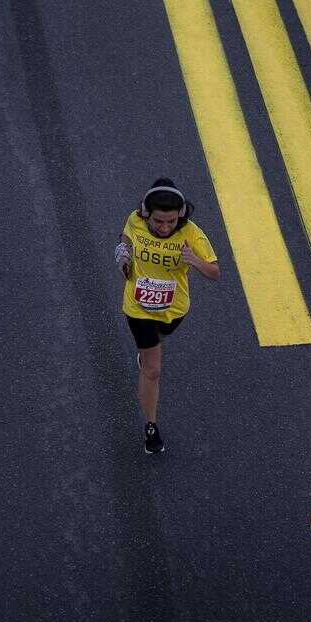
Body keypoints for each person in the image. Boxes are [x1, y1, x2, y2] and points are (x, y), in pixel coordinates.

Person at [115, 178, 220, 454]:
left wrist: (193, 260)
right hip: (138, 308)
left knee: (156, 345)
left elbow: (214, 272)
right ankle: (151, 427)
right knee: (153, 369)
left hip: (174, 311)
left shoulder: (192, 234)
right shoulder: (135, 221)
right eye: (158, 222)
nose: (164, 227)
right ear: (147, 214)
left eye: (171, 222)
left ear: (181, 216)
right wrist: (123, 256)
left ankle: (147, 352)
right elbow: (125, 237)